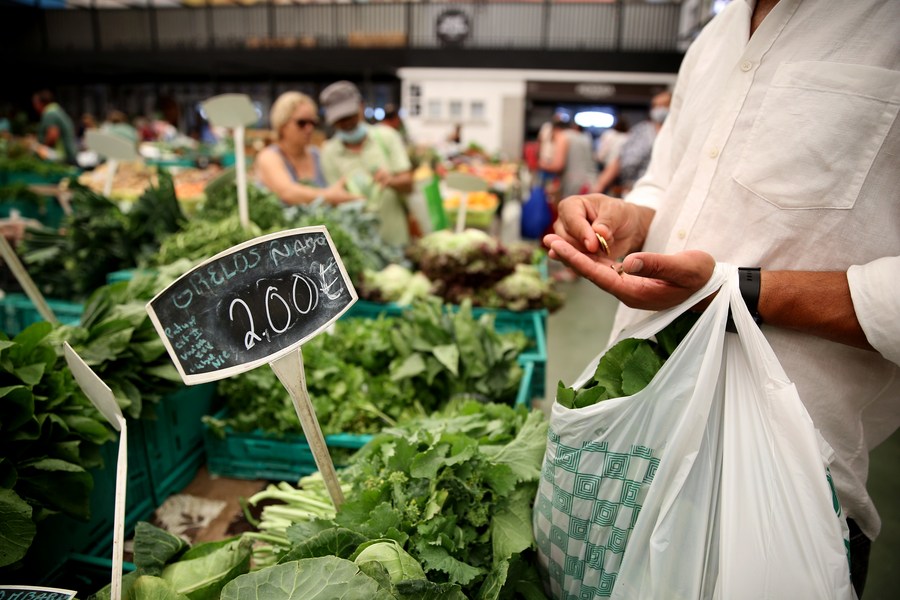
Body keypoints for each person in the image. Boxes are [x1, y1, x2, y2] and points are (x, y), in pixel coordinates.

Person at [544, 0, 899, 597]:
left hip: (785, 490)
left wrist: (739, 294)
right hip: (636, 446)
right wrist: (634, 217)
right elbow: (667, 176)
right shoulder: (715, 38)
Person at [319, 80, 414, 246]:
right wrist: (348, 198)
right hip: (358, 244)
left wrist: (391, 180)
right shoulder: (328, 152)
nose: (346, 122)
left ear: (361, 107)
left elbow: (409, 184)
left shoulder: (387, 137)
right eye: (340, 119)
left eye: (350, 115)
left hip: (396, 239)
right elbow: (334, 198)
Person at [254, 91, 359, 207]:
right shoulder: (269, 157)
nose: (309, 129)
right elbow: (288, 193)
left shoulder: (317, 155)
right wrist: (330, 196)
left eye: (313, 122)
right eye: (302, 123)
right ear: (282, 124)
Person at [593, 90, 671, 196]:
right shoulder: (642, 131)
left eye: (664, 105)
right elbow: (620, 159)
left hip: (664, 191)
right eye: (656, 106)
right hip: (635, 190)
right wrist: (600, 185)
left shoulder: (676, 133)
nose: (659, 109)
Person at [31, 89, 78, 165]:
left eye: (35, 103)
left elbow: (52, 135)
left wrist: (41, 148)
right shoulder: (56, 110)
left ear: (40, 103)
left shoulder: (50, 113)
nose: (34, 106)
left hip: (62, 158)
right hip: (69, 155)